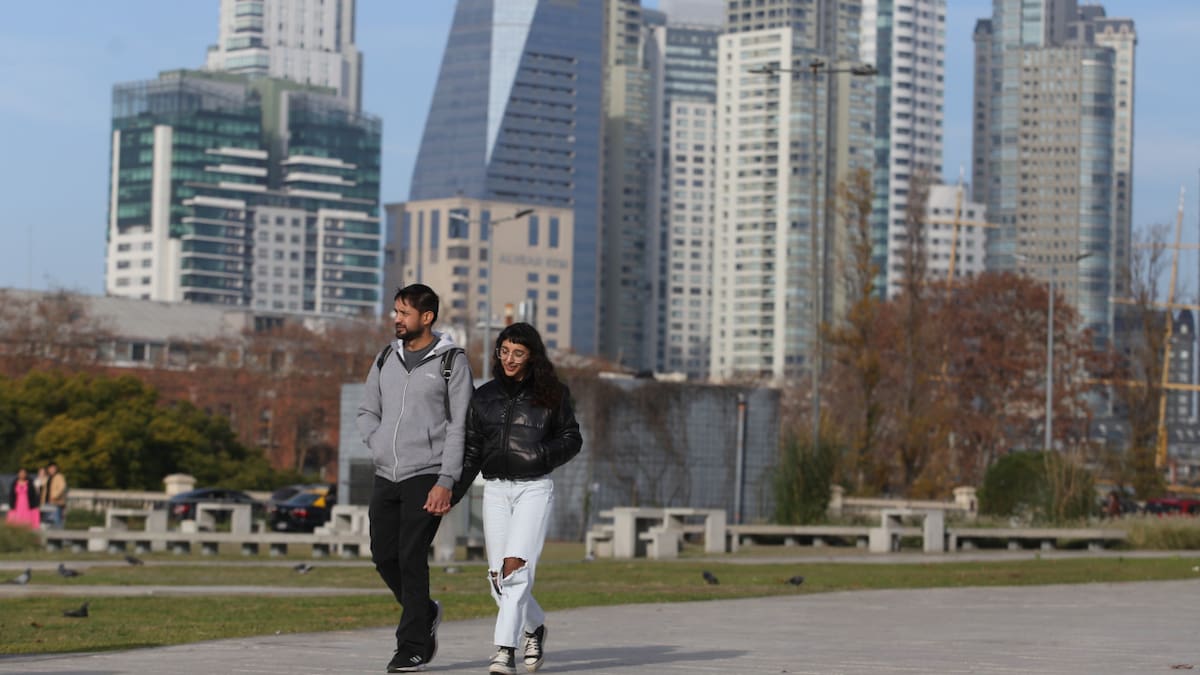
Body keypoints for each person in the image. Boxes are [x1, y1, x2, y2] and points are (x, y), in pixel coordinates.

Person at [357, 284, 474, 673]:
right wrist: (376, 444)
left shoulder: (451, 362)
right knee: (383, 555)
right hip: (385, 472)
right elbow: (367, 410)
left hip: (427, 472)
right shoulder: (385, 357)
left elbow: (460, 427)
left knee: (410, 556)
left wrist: (447, 479)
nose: (396, 319)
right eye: (395, 312)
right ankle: (424, 612)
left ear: (426, 317)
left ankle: (411, 646)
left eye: (403, 313)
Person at [461, 323, 582, 675]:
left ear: (531, 356)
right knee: (497, 579)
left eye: (518, 352)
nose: (510, 358)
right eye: (504, 351)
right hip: (495, 489)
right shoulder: (483, 396)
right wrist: (450, 493)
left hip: (534, 488)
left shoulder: (552, 393)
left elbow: (572, 438)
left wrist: (541, 455)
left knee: (514, 572)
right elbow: (471, 451)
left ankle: (503, 652)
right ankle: (535, 626)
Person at [39, 462, 67, 529]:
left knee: (56, 520)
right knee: (46, 521)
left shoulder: (59, 477)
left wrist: (54, 496)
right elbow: (41, 486)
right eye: (50, 468)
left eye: (53, 468)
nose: (52, 470)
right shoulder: (47, 477)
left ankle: (58, 536)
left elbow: (62, 487)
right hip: (45, 502)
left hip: (56, 502)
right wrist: (41, 476)